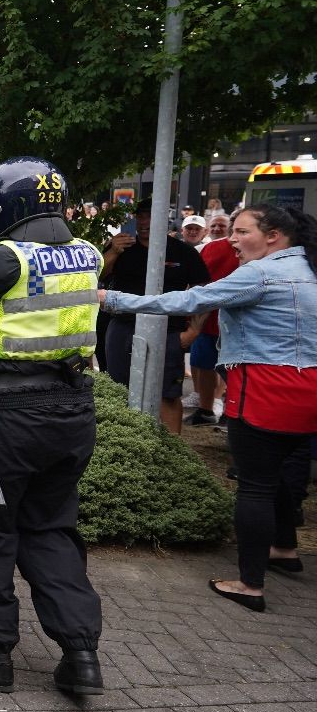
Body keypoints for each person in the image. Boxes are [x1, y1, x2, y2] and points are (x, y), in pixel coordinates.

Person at [101, 205, 317, 612]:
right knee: (286, 471)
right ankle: (285, 549)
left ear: (273, 236)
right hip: (308, 390)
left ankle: (250, 584)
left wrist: (111, 298)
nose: (232, 240)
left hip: (265, 388)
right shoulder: (307, 267)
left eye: (241, 231)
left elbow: (192, 299)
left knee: (255, 485)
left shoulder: (260, 273)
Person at [0, 157, 105, 695]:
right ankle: (81, 653)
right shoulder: (88, 254)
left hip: (6, 417)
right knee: (51, 526)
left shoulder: (1, 260)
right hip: (74, 409)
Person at [100, 199, 209, 433]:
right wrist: (113, 252)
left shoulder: (183, 251)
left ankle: (172, 454)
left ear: (164, 219)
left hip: (168, 330)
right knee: (119, 390)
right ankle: (128, 445)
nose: (144, 221)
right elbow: (97, 278)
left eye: (150, 216)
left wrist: (194, 332)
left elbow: (203, 293)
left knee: (167, 394)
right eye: (140, 216)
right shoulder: (121, 247)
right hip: (123, 327)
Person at [185, 213, 238, 426]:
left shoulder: (259, 252)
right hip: (207, 319)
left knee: (233, 370)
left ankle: (231, 413)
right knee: (203, 365)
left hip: (236, 323)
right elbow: (198, 282)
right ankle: (205, 410)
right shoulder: (210, 248)